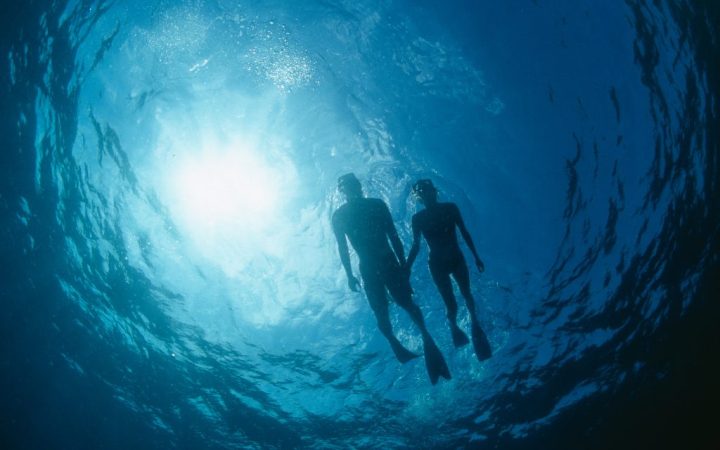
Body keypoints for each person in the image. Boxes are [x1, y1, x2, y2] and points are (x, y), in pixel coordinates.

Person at [332, 173, 451, 384]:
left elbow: (393, 235)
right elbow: (343, 247)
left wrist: (404, 265)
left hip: (386, 264)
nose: (353, 189)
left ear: (358, 186)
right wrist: (350, 275)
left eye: (353, 185)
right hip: (373, 267)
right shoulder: (344, 214)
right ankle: (397, 342)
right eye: (349, 186)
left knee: (404, 304)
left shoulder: (371, 206)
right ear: (346, 190)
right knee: (382, 310)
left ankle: (425, 338)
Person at [405, 179, 492, 361]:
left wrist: (476, 256)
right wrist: (407, 268)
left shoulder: (450, 208)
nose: (427, 194)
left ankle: (474, 322)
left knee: (467, 293)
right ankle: (453, 326)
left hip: (456, 259)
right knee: (451, 303)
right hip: (436, 264)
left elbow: (464, 231)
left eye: (429, 191)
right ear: (419, 197)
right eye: (423, 193)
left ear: (434, 191)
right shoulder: (418, 218)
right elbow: (416, 246)